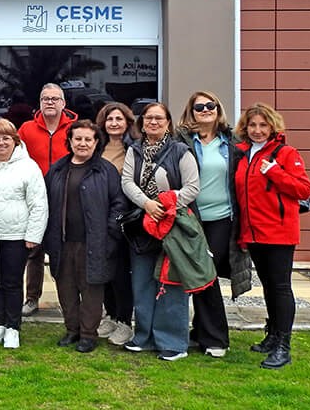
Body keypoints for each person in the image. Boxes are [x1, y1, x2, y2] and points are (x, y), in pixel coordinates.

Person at [233, 102, 310, 369]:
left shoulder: (285, 153)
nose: (257, 130)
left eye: (263, 125)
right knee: (268, 287)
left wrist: (274, 171)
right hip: (254, 234)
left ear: (272, 126)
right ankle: (273, 334)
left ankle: (284, 346)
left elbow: (303, 189)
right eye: (253, 125)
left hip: (279, 233)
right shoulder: (243, 154)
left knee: (280, 288)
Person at [121, 102, 200, 361]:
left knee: (171, 283)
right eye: (149, 118)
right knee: (141, 282)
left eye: (159, 118)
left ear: (168, 122)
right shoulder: (134, 151)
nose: (153, 122)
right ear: (142, 123)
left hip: (172, 225)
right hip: (143, 226)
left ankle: (173, 342)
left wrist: (166, 206)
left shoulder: (180, 151)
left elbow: (192, 187)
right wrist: (147, 204)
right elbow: (127, 182)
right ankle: (143, 336)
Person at [177, 91, 253, 358]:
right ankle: (202, 332)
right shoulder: (182, 141)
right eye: (200, 107)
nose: (206, 110)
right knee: (198, 274)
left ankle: (216, 338)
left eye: (211, 105)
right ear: (192, 111)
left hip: (222, 218)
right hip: (191, 219)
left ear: (218, 109)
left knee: (206, 274)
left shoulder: (233, 142)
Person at [43, 120, 127, 353]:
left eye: (87, 139)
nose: (82, 143)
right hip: (62, 242)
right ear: (70, 141)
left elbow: (119, 205)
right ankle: (72, 330)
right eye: (77, 138)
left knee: (91, 290)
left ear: (96, 142)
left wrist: (111, 232)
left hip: (95, 242)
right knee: (66, 289)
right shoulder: (58, 169)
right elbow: (46, 204)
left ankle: (88, 334)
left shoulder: (105, 170)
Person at [0, 118, 47, 349]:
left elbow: (39, 204)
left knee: (12, 282)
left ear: (15, 140)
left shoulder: (28, 167)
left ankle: (13, 327)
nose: (1, 143)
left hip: (15, 235)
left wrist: (33, 234)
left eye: (6, 138)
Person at [16, 83, 77, 316]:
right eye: (45, 99)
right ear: (39, 103)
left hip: (65, 199)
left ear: (63, 103)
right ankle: (32, 298)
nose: (50, 102)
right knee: (33, 251)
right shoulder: (27, 129)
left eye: (54, 99)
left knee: (64, 253)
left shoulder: (73, 129)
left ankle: (68, 299)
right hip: (33, 200)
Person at [94, 102, 139, 346]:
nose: (114, 123)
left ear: (127, 123)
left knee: (121, 273)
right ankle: (109, 315)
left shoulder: (134, 147)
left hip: (124, 218)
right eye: (110, 119)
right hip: (98, 217)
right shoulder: (96, 146)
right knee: (104, 272)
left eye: (119, 119)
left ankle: (124, 321)